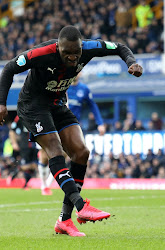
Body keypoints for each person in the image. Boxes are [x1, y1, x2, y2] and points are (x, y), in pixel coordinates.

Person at [0, 25, 143, 237]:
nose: (72, 57)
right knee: (56, 151)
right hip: (32, 106)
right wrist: (2, 104)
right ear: (58, 47)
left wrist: (132, 62)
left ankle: (64, 221)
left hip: (57, 104)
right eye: (66, 52)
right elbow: (9, 68)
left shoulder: (89, 48)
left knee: (81, 152)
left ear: (81, 47)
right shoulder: (40, 54)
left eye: (76, 52)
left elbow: (119, 47)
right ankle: (80, 205)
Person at [38, 74, 106, 196]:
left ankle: (47, 185)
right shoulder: (62, 86)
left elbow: (93, 105)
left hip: (71, 127)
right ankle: (43, 184)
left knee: (62, 154)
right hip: (53, 122)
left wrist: (100, 123)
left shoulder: (84, 89)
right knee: (44, 155)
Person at [6, 115, 38, 189]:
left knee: (34, 166)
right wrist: (14, 143)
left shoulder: (36, 113)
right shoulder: (20, 116)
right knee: (28, 164)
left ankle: (18, 174)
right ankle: (15, 175)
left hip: (36, 144)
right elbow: (12, 130)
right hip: (25, 145)